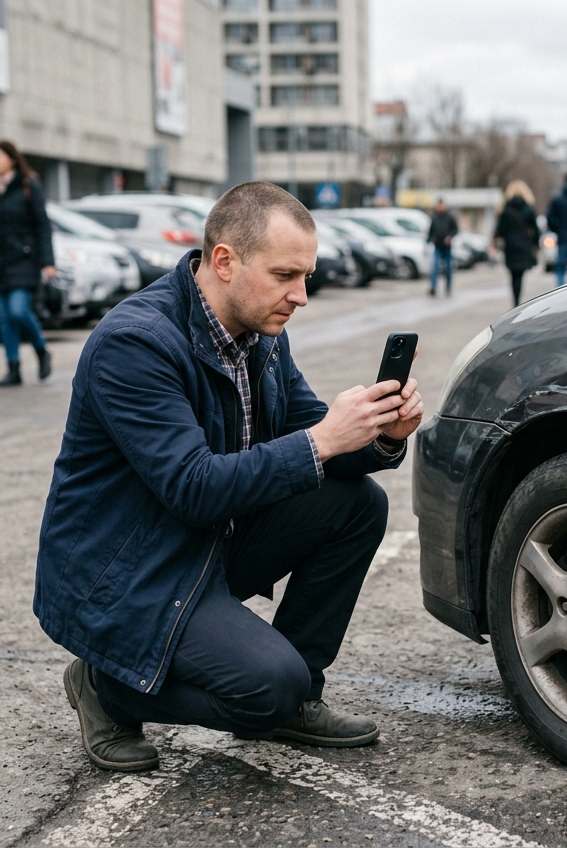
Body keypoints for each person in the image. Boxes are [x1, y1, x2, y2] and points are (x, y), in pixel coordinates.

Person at [34, 182, 424, 772]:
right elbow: (192, 486)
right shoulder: (135, 343)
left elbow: (308, 432)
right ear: (224, 262)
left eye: (306, 277)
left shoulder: (260, 336)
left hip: (202, 543)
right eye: (285, 275)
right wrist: (322, 439)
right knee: (267, 687)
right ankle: (104, 685)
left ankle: (298, 694)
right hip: (129, 574)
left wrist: (381, 434)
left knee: (357, 504)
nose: (301, 296)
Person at [0, 139, 54, 388]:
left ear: (11, 159)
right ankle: (13, 368)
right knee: (5, 319)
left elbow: (42, 226)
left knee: (18, 311)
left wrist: (48, 261)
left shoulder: (29, 186)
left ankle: (41, 350)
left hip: (24, 261)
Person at [493, 180, 539, 307]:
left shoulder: (505, 210)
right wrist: (535, 245)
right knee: (520, 275)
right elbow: (535, 229)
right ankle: (518, 301)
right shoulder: (529, 209)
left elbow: (500, 231)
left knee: (513, 275)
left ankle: (515, 301)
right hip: (524, 246)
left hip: (510, 247)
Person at [426, 198, 458, 296]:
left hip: (447, 247)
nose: (440, 207)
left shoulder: (450, 217)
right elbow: (430, 232)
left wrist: (450, 237)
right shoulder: (434, 217)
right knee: (435, 267)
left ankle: (448, 287)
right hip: (437, 246)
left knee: (448, 268)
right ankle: (433, 287)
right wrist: (431, 240)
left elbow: (455, 229)